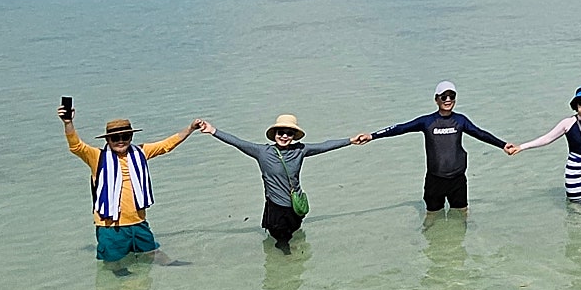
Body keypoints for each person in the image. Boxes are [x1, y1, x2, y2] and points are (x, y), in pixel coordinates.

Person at [60, 101, 200, 267]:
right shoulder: (97, 157)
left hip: (138, 222)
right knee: (113, 265)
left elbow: (167, 145)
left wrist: (190, 129)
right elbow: (76, 146)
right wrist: (68, 122)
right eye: (115, 138)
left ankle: (170, 266)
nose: (121, 141)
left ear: (131, 137)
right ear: (108, 139)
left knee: (151, 252)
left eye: (125, 137)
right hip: (110, 226)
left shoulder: (140, 152)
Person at [197, 114, 355, 250]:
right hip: (276, 207)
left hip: (296, 205)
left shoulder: (300, 150)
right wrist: (213, 131)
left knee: (294, 232)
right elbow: (237, 142)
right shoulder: (263, 152)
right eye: (281, 132)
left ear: (293, 136)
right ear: (275, 134)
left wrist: (351, 140)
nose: (285, 136)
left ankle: (290, 265)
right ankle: (285, 262)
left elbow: (325, 145)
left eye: (289, 133)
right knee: (281, 241)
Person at [351, 81, 509, 215]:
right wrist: (372, 136)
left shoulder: (461, 121)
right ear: (436, 99)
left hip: (458, 180)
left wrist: (503, 145)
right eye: (444, 97)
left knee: (461, 216)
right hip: (435, 180)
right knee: (432, 218)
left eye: (451, 96)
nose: (448, 100)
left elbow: (481, 134)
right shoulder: (427, 122)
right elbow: (400, 128)